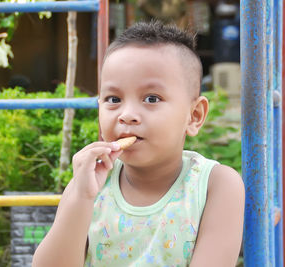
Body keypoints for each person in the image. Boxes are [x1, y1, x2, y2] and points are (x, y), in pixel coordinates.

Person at [32, 21, 244, 267]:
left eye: (151, 98)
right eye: (113, 99)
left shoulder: (214, 185)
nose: (127, 114)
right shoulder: (89, 184)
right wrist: (80, 198)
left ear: (194, 115)